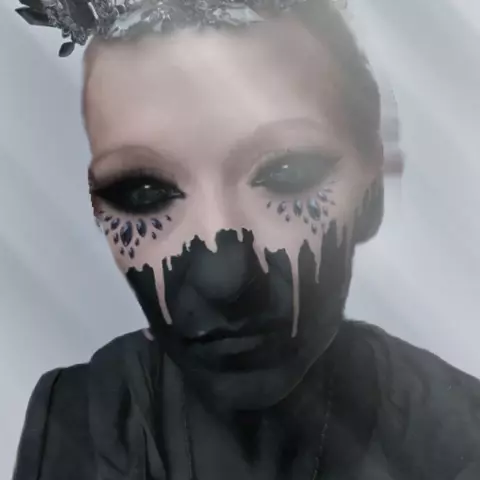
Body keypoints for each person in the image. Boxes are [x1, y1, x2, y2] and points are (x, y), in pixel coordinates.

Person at [12, 0, 480, 479]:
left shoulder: (460, 440)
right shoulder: (73, 416)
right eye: (144, 193)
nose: (223, 276)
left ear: (372, 187)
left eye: (287, 174)